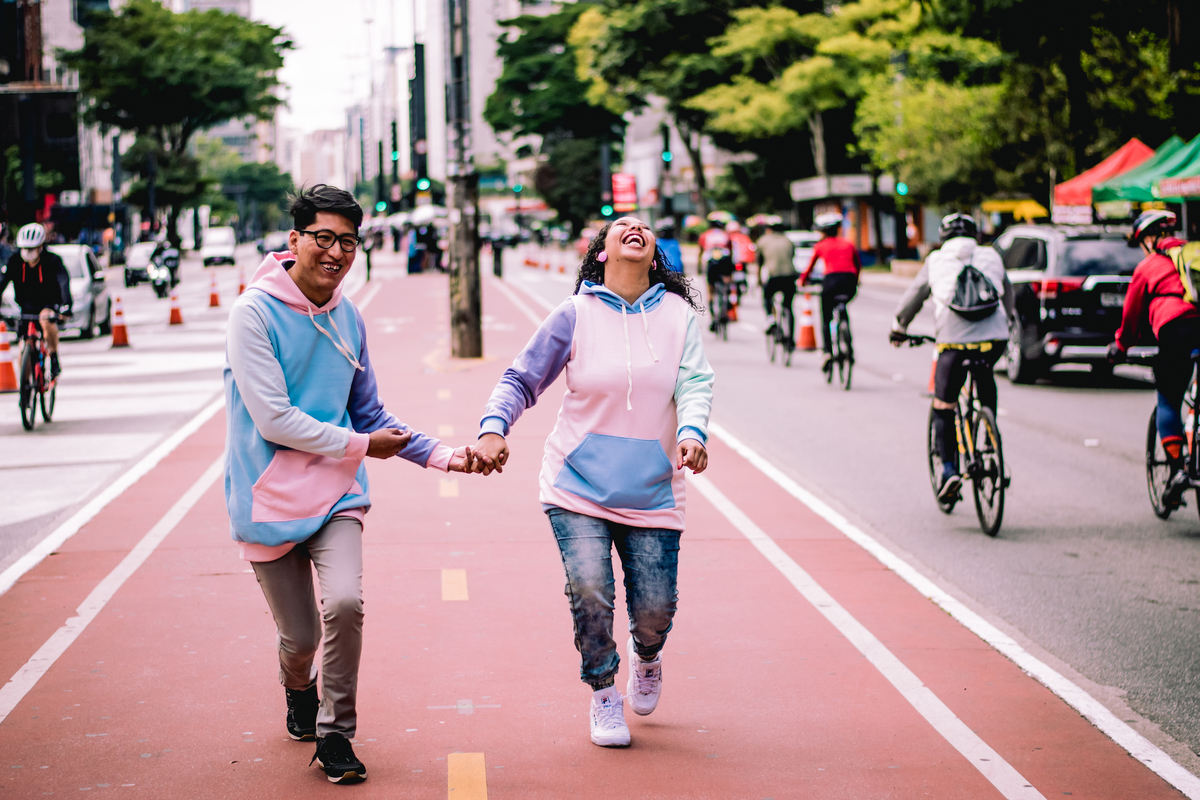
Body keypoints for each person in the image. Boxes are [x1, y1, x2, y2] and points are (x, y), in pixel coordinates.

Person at [223, 184, 479, 785]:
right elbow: (274, 419)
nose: (336, 252)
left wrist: (445, 454)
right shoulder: (252, 314)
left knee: (343, 604)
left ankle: (336, 734)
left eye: (347, 241)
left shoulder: (348, 314)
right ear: (295, 241)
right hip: (267, 498)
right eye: (323, 238)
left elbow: (370, 412)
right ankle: (298, 688)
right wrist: (364, 445)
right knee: (301, 637)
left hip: (338, 490)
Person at [473, 216, 714, 748]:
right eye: (620, 225)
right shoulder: (574, 315)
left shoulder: (677, 315)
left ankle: (646, 656)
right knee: (591, 591)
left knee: (655, 608)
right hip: (575, 484)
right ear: (601, 252)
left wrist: (692, 432)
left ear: (654, 255)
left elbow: (695, 380)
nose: (635, 227)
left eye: (644, 227)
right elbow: (522, 377)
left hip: (652, 486)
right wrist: (494, 428)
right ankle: (604, 692)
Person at [889, 213, 1013, 502]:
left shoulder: (935, 260)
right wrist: (1007, 322)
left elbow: (913, 298)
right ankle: (990, 437)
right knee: (984, 372)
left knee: (944, 404)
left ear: (944, 237)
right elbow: (1008, 294)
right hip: (994, 339)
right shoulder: (991, 255)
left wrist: (899, 328)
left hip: (953, 342)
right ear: (975, 235)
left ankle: (948, 470)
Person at [1108, 209, 1195, 508]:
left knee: (1169, 400)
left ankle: (1178, 470)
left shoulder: (1148, 266)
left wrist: (1120, 347)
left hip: (1177, 330)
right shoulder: (1194, 256)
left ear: (1148, 238)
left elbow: (1131, 320)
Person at [1, 223, 72, 379]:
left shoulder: (53, 261)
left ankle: (54, 358)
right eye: (24, 249)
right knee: (22, 349)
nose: (27, 253)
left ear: (41, 247)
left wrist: (67, 305)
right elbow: (2, 282)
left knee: (45, 320)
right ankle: (25, 390)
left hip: (47, 304)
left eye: (31, 249)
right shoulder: (15, 262)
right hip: (25, 308)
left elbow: (63, 282)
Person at [801, 213, 861, 373]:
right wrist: (856, 281)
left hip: (831, 282)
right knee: (843, 306)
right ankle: (849, 346)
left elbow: (809, 269)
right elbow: (857, 265)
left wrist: (802, 281)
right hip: (849, 282)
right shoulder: (848, 244)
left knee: (826, 317)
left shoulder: (820, 246)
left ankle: (827, 351)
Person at [757, 221, 798, 341]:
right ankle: (791, 339)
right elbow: (791, 256)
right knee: (788, 307)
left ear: (769, 230)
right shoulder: (788, 242)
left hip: (773, 276)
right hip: (789, 276)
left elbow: (760, 262)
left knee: (767, 296)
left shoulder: (763, 241)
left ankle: (770, 318)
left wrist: (759, 279)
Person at [699, 218, 735, 328]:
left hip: (711, 263)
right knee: (728, 280)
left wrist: (699, 268)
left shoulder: (705, 235)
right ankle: (727, 298)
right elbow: (731, 253)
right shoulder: (726, 236)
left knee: (711, 291)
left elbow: (700, 252)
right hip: (724, 262)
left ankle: (714, 318)